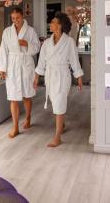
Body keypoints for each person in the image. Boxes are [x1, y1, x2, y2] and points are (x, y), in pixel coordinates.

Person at [33, 12, 83, 148]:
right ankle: (62, 124)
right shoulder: (47, 43)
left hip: (62, 75)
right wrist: (37, 76)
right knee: (56, 102)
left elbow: (74, 60)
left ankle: (57, 136)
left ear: (60, 25)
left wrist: (78, 76)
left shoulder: (69, 42)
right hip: (50, 75)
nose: (51, 24)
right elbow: (41, 61)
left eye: (53, 22)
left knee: (60, 102)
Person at [0, 7, 40, 138]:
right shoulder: (7, 32)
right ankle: (15, 126)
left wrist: (26, 43)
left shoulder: (31, 31)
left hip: (25, 64)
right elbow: (3, 50)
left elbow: (37, 47)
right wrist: (2, 69)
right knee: (13, 97)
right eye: (13, 19)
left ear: (22, 17)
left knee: (27, 95)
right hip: (12, 65)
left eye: (18, 18)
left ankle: (27, 117)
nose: (16, 21)